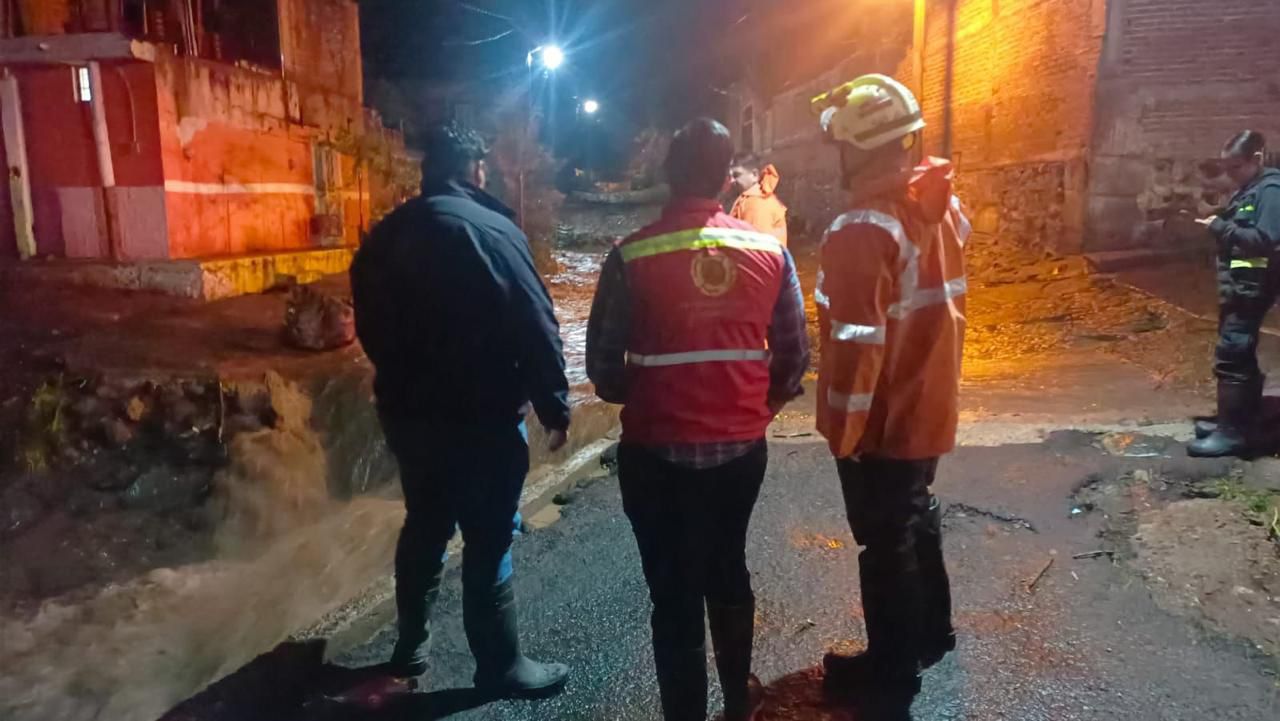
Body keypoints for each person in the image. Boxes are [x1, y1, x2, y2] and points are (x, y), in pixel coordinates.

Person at [587, 118, 809, 721]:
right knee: (727, 567)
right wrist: (754, 410)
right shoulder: (771, 252)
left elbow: (603, 369)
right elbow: (794, 358)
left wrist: (655, 395)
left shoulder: (630, 255)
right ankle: (738, 703)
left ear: (668, 174)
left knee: (673, 592)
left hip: (654, 455)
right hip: (739, 454)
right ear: (725, 178)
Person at [350, 123, 572, 698]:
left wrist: (402, 385)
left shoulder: (386, 236)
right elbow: (536, 321)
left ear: (428, 171)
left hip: (408, 417)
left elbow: (367, 326)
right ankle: (500, 665)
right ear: (474, 171)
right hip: (483, 416)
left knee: (425, 522)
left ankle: (410, 650)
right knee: (488, 534)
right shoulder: (492, 230)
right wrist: (554, 404)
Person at [808, 75, 970, 720]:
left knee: (884, 540)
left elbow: (856, 347)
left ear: (856, 150)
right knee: (915, 516)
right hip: (931, 402)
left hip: (885, 418)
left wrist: (845, 434)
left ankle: (891, 672)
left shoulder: (860, 229)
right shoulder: (943, 206)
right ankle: (932, 633)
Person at [1189, 130, 1280, 458]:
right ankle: (1242, 419)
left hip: (1252, 287)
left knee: (1232, 353)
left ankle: (1232, 434)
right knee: (1240, 352)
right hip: (1241, 286)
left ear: (1257, 158)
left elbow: (1265, 239)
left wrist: (1220, 227)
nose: (1231, 175)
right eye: (1227, 168)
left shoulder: (1271, 189)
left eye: (1236, 167)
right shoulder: (1251, 187)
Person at [729, 153, 789, 246]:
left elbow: (755, 246)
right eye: (730, 176)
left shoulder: (757, 203)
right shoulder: (750, 198)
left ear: (754, 175)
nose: (731, 180)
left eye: (736, 175)